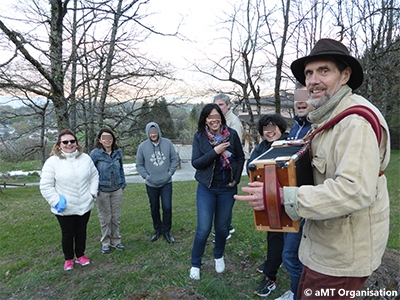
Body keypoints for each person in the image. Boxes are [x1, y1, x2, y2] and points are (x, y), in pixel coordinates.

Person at [235, 38, 391, 300]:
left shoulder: (355, 122)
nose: (313, 80)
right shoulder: (331, 115)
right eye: (309, 73)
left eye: (324, 71)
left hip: (341, 255)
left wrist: (281, 197)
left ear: (345, 75)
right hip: (327, 244)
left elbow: (355, 190)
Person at [189, 103, 245, 280]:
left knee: (221, 227)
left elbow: (241, 157)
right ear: (205, 119)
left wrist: (236, 178)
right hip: (207, 187)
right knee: (204, 228)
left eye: (216, 116)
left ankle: (218, 255)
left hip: (227, 188)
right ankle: (195, 263)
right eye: (210, 117)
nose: (214, 120)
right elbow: (196, 163)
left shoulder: (232, 135)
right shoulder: (199, 137)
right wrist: (215, 151)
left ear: (221, 117)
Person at [40, 129, 99, 271]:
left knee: (81, 231)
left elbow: (94, 176)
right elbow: (45, 186)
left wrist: (92, 193)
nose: (69, 144)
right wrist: (56, 201)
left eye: (72, 141)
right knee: (68, 233)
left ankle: (80, 255)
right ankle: (68, 259)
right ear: (59, 145)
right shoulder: (52, 162)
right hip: (65, 207)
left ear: (77, 143)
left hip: (84, 203)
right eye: (65, 142)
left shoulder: (85, 158)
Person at [276, 83, 314, 300]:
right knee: (292, 254)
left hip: (309, 201)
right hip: (293, 200)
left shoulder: (319, 126)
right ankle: (297, 291)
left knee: (292, 255)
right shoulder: (295, 128)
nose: (300, 101)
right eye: (296, 97)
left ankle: (298, 295)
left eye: (306, 96)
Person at [246, 114, 288, 297]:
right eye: (266, 128)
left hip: (291, 198)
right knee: (274, 235)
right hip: (269, 199)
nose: (269, 131)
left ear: (280, 128)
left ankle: (275, 270)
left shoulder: (290, 143)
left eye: (273, 127)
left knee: (290, 240)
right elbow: (251, 165)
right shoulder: (261, 147)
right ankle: (271, 270)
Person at [136, 122, 179, 244]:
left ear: (158, 131)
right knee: (154, 208)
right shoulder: (142, 147)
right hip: (151, 184)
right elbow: (139, 164)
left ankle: (166, 231)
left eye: (155, 131)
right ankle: (157, 230)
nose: (153, 134)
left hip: (166, 183)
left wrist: (169, 173)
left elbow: (174, 159)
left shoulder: (168, 143)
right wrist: (146, 176)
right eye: (151, 132)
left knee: (167, 207)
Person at [90, 128, 126, 254]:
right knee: (105, 218)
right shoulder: (95, 154)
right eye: (104, 138)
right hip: (102, 191)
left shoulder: (117, 152)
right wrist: (96, 189)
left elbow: (121, 168)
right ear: (100, 140)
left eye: (109, 137)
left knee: (115, 217)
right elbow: (91, 172)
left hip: (116, 189)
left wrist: (122, 182)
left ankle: (116, 240)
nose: (107, 140)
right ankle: (106, 242)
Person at [213, 93, 244, 239]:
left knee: (225, 199)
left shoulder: (233, 122)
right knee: (220, 201)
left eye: (221, 105)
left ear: (228, 105)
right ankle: (226, 226)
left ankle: (223, 229)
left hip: (229, 166)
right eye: (216, 105)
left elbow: (234, 149)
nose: (218, 108)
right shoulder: (218, 120)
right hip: (218, 166)